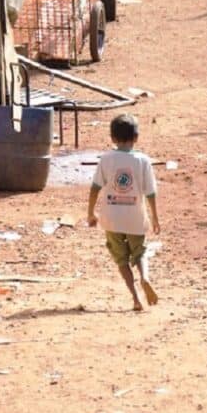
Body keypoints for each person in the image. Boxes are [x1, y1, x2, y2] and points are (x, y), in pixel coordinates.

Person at [87, 114, 161, 311]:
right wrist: (155, 218)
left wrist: (91, 213)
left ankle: (135, 299)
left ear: (112, 138)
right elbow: (151, 193)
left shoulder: (106, 159)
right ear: (136, 137)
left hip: (111, 219)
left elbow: (95, 188)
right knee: (140, 253)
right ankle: (145, 277)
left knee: (121, 260)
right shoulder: (143, 161)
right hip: (135, 219)